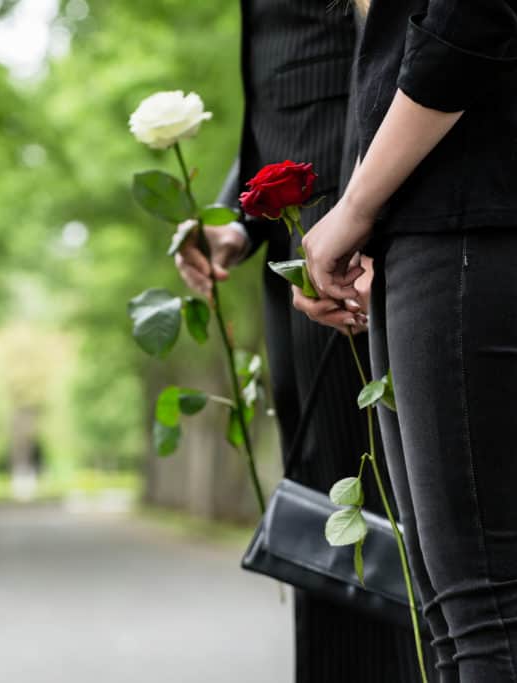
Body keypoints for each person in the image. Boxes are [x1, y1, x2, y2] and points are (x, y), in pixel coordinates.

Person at [294, 1, 517, 681]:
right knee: (451, 618)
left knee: (488, 613)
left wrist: (356, 208)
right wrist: (370, 223)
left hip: (475, 212)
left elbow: (474, 17)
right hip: (444, 218)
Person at [174, 1, 427, 680]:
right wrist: (240, 220)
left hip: (352, 245)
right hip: (301, 243)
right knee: (328, 521)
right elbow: (289, 93)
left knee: (369, 530)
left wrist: (370, 223)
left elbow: (397, 54)